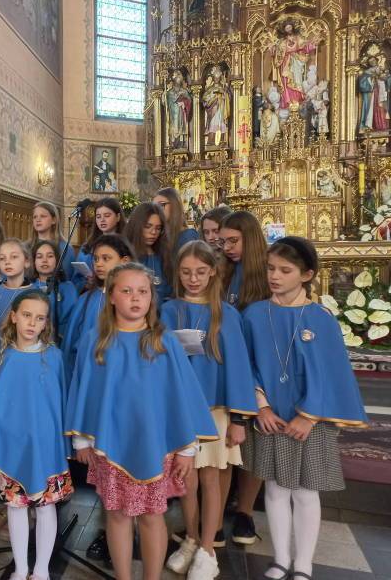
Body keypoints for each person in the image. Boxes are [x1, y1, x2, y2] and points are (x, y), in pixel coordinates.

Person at [66, 262, 217, 580]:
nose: (135, 298)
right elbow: (84, 389)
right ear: (111, 296)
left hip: (154, 447)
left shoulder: (164, 342)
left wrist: (186, 449)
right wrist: (82, 440)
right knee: (117, 515)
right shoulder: (96, 340)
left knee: (151, 515)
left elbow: (182, 396)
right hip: (109, 446)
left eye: (143, 292)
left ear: (152, 297)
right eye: (126, 291)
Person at [241, 237, 367, 580]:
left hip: (311, 420)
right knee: (275, 489)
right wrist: (261, 407)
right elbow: (245, 365)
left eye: (285, 270)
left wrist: (308, 416)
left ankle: (303, 564)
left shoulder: (320, 319)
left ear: (307, 274)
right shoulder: (254, 315)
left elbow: (331, 372)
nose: (274, 276)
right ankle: (281, 559)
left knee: (306, 492)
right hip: (271, 417)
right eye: (271, 268)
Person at [162, 242, 258, 580]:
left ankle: (207, 549)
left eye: (200, 272)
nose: (193, 279)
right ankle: (190, 539)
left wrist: (238, 419)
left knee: (211, 478)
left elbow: (239, 369)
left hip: (215, 408)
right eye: (186, 272)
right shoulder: (168, 310)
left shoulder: (227, 314)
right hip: (180, 408)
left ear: (213, 272)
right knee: (185, 479)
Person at [0, 289, 72, 580]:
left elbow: (62, 405)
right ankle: (20, 568)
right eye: (27, 315)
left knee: (45, 508)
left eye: (40, 318)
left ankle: (40, 571)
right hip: (9, 449)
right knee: (14, 508)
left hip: (45, 450)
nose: (32, 323)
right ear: (14, 316)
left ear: (46, 323)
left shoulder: (54, 358)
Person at [216, 210, 271, 545]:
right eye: (223, 242)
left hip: (260, 364)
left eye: (233, 241)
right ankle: (217, 512)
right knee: (228, 441)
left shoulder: (267, 272)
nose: (227, 248)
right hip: (227, 365)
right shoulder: (222, 270)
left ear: (250, 239)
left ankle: (245, 512)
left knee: (254, 445)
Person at [62, 233, 135, 381]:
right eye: (95, 259)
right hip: (86, 372)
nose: (98, 264)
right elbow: (71, 346)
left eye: (106, 258)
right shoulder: (84, 300)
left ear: (125, 261)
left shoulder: (133, 300)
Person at [124, 203, 173, 305]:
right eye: (147, 226)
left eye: (158, 228)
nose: (153, 232)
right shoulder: (125, 255)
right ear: (136, 226)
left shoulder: (164, 255)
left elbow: (170, 291)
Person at [0, 238, 33, 329]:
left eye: (14, 257)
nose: (7, 262)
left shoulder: (35, 295)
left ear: (26, 262)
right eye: (2, 258)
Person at [30, 239, 78, 342]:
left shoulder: (68, 288)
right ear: (34, 262)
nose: (44, 260)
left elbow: (72, 321)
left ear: (57, 260)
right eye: (39, 257)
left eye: (50, 256)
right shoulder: (28, 288)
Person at [74, 197, 126, 291]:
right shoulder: (87, 246)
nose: (102, 220)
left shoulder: (127, 243)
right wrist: (86, 284)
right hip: (93, 293)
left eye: (107, 215)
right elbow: (76, 279)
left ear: (118, 217)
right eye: (98, 216)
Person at [29, 201, 75, 279]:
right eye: (35, 217)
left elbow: (68, 276)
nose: (38, 220)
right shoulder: (25, 247)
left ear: (54, 220)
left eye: (43, 216)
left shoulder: (65, 248)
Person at [153, 187, 200, 252]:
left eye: (160, 205)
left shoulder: (188, 236)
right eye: (154, 206)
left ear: (174, 206)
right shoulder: (159, 236)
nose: (156, 210)